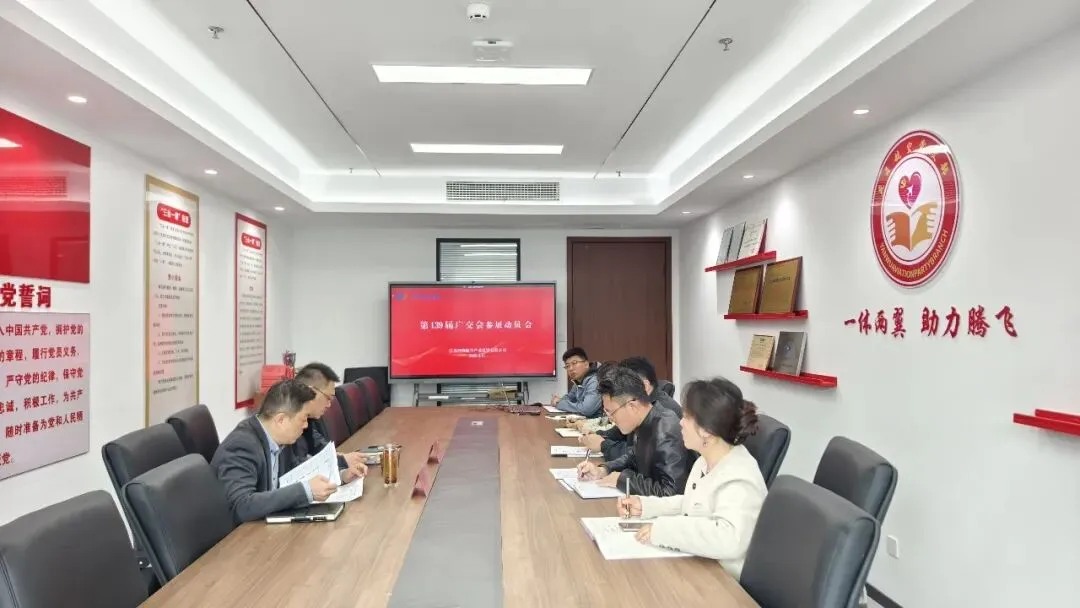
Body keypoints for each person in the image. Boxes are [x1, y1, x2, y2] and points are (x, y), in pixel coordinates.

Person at [615, 377, 767, 581]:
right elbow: (692, 504)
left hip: (723, 581)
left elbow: (727, 539)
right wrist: (646, 506)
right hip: (701, 564)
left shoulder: (739, 477)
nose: (680, 422)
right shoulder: (706, 460)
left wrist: (665, 530)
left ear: (706, 431)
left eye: (686, 417)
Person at [211, 379, 339, 524]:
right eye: (303, 418)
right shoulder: (241, 445)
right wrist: (305, 491)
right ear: (281, 420)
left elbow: (299, 471)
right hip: (243, 533)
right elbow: (241, 506)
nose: (306, 425)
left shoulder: (279, 438)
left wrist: (338, 474)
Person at [576, 366, 693, 496]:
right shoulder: (644, 420)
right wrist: (604, 469)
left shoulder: (666, 429)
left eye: (611, 412)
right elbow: (633, 458)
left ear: (631, 406)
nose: (611, 419)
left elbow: (671, 491)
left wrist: (623, 480)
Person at [578, 356, 680, 460]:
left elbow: (639, 455)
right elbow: (623, 437)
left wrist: (603, 445)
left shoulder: (664, 414)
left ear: (645, 386)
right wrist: (600, 435)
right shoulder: (642, 407)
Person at [292, 362, 367, 480]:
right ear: (311, 392)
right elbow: (299, 470)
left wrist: (340, 458)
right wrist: (342, 461)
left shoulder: (308, 419)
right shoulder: (289, 423)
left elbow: (318, 447)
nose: (329, 405)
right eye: (328, 398)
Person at [551, 347, 601, 418]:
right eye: (567, 366)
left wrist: (559, 403)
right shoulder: (578, 380)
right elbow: (569, 397)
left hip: (600, 422)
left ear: (586, 364)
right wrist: (560, 401)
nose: (570, 369)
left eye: (574, 363)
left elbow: (586, 409)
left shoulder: (595, 380)